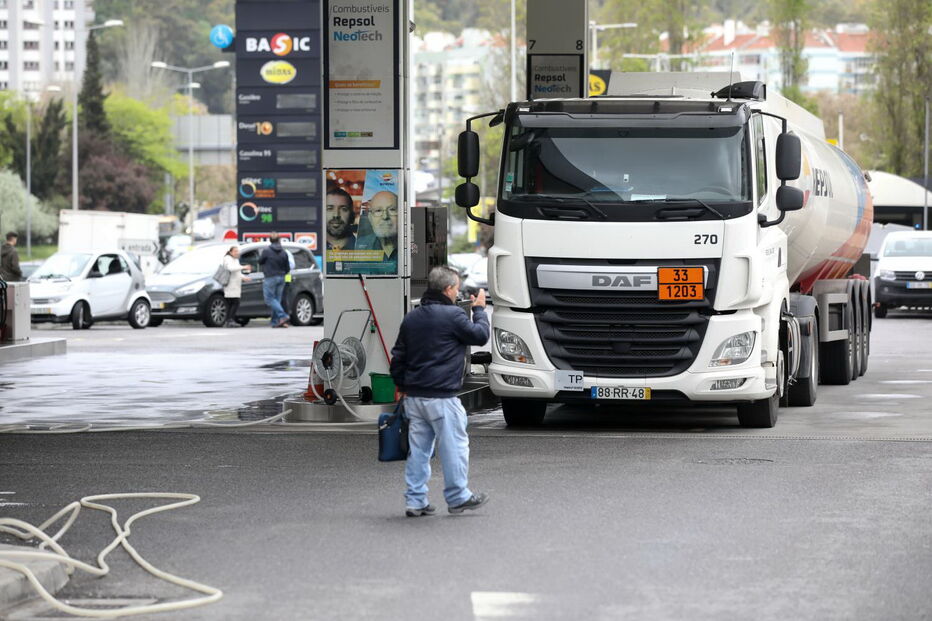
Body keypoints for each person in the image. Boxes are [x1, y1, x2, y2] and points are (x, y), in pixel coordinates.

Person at [389, 265, 490, 517]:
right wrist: (479, 310)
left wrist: (402, 386)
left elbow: (398, 357)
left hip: (415, 397)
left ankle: (415, 501)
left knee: (419, 451)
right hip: (442, 397)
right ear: (447, 289)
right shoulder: (453, 316)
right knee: (454, 447)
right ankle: (458, 497)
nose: (457, 293)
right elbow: (480, 336)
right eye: (456, 288)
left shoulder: (412, 317)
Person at [355, 190, 398, 273]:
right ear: (370, 218)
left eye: (392, 209)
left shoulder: (410, 248)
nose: (385, 216)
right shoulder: (358, 247)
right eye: (378, 210)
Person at [258, 233, 291, 328]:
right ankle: (275, 321)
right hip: (282, 277)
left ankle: (283, 315)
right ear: (279, 240)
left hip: (270, 277)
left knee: (269, 299)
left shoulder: (266, 251)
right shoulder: (284, 252)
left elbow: (260, 261)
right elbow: (288, 268)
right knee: (277, 300)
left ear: (270, 240)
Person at [221, 246, 251, 328]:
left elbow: (237, 272)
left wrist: (243, 277)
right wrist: (243, 267)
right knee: (235, 302)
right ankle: (230, 320)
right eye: (235, 251)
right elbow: (231, 268)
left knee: (232, 303)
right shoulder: (227, 258)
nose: (237, 253)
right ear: (230, 252)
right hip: (230, 284)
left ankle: (229, 320)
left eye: (237, 251)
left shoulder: (236, 260)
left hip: (236, 284)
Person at [325, 185, 357, 251]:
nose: (336, 215)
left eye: (343, 209)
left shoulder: (365, 248)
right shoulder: (310, 248)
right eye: (330, 208)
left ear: (351, 215)